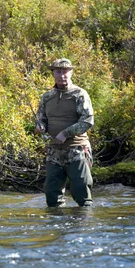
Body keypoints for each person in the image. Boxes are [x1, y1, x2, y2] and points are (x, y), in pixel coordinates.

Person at [35, 58, 94, 207]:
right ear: (53, 73)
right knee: (52, 195)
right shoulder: (47, 97)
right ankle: (58, 226)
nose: (62, 75)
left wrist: (65, 134)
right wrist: (40, 126)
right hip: (54, 151)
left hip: (77, 149)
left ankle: (82, 227)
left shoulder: (80, 94)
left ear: (71, 72)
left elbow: (87, 121)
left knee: (82, 192)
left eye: (65, 72)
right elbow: (41, 118)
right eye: (58, 72)